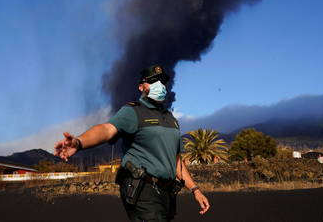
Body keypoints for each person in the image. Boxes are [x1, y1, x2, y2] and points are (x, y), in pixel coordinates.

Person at [54, 65, 210, 221]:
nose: (159, 85)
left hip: (166, 194)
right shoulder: (133, 111)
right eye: (153, 81)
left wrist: (195, 190)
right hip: (143, 189)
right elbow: (107, 129)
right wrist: (79, 142)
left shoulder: (171, 119)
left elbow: (175, 161)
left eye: (162, 81)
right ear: (141, 86)